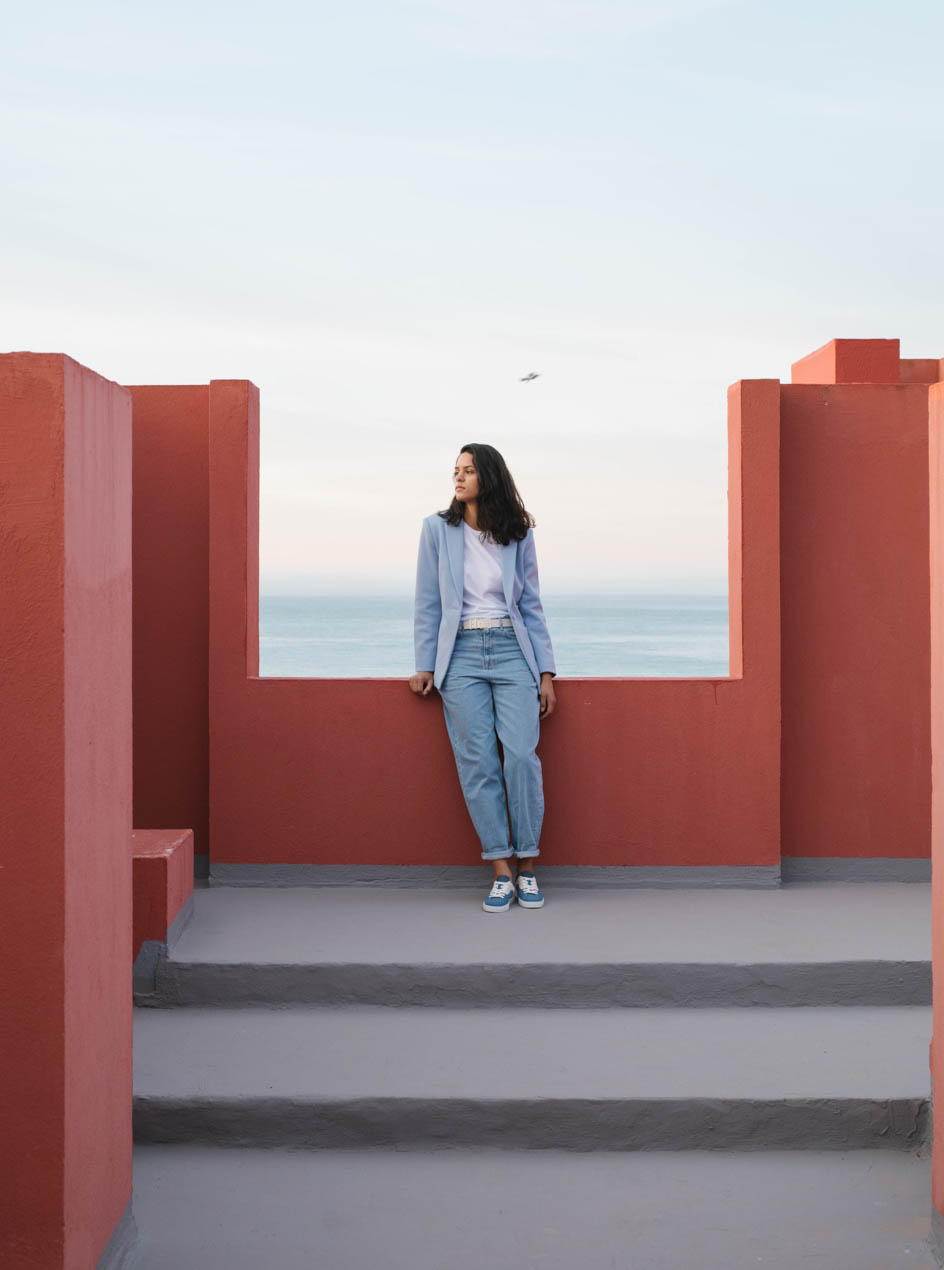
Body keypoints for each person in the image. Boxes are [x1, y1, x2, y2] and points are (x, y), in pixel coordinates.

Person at [409, 443, 558, 912]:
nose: (458, 478)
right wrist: (425, 663)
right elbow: (428, 601)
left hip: (514, 653)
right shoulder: (436, 529)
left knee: (520, 757)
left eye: (468, 471)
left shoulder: (517, 533)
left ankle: (528, 866)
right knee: (478, 765)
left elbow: (531, 604)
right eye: (455, 470)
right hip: (463, 656)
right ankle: (500, 869)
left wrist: (547, 672)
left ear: (488, 476)